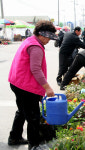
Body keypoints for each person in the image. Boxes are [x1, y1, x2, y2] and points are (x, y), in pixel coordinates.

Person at [8, 20, 57, 150]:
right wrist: (47, 88)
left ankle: (15, 137)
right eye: (48, 37)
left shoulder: (30, 40)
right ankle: (34, 145)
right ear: (42, 34)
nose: (49, 41)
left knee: (22, 111)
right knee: (33, 117)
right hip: (25, 86)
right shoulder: (36, 47)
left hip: (17, 82)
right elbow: (35, 69)